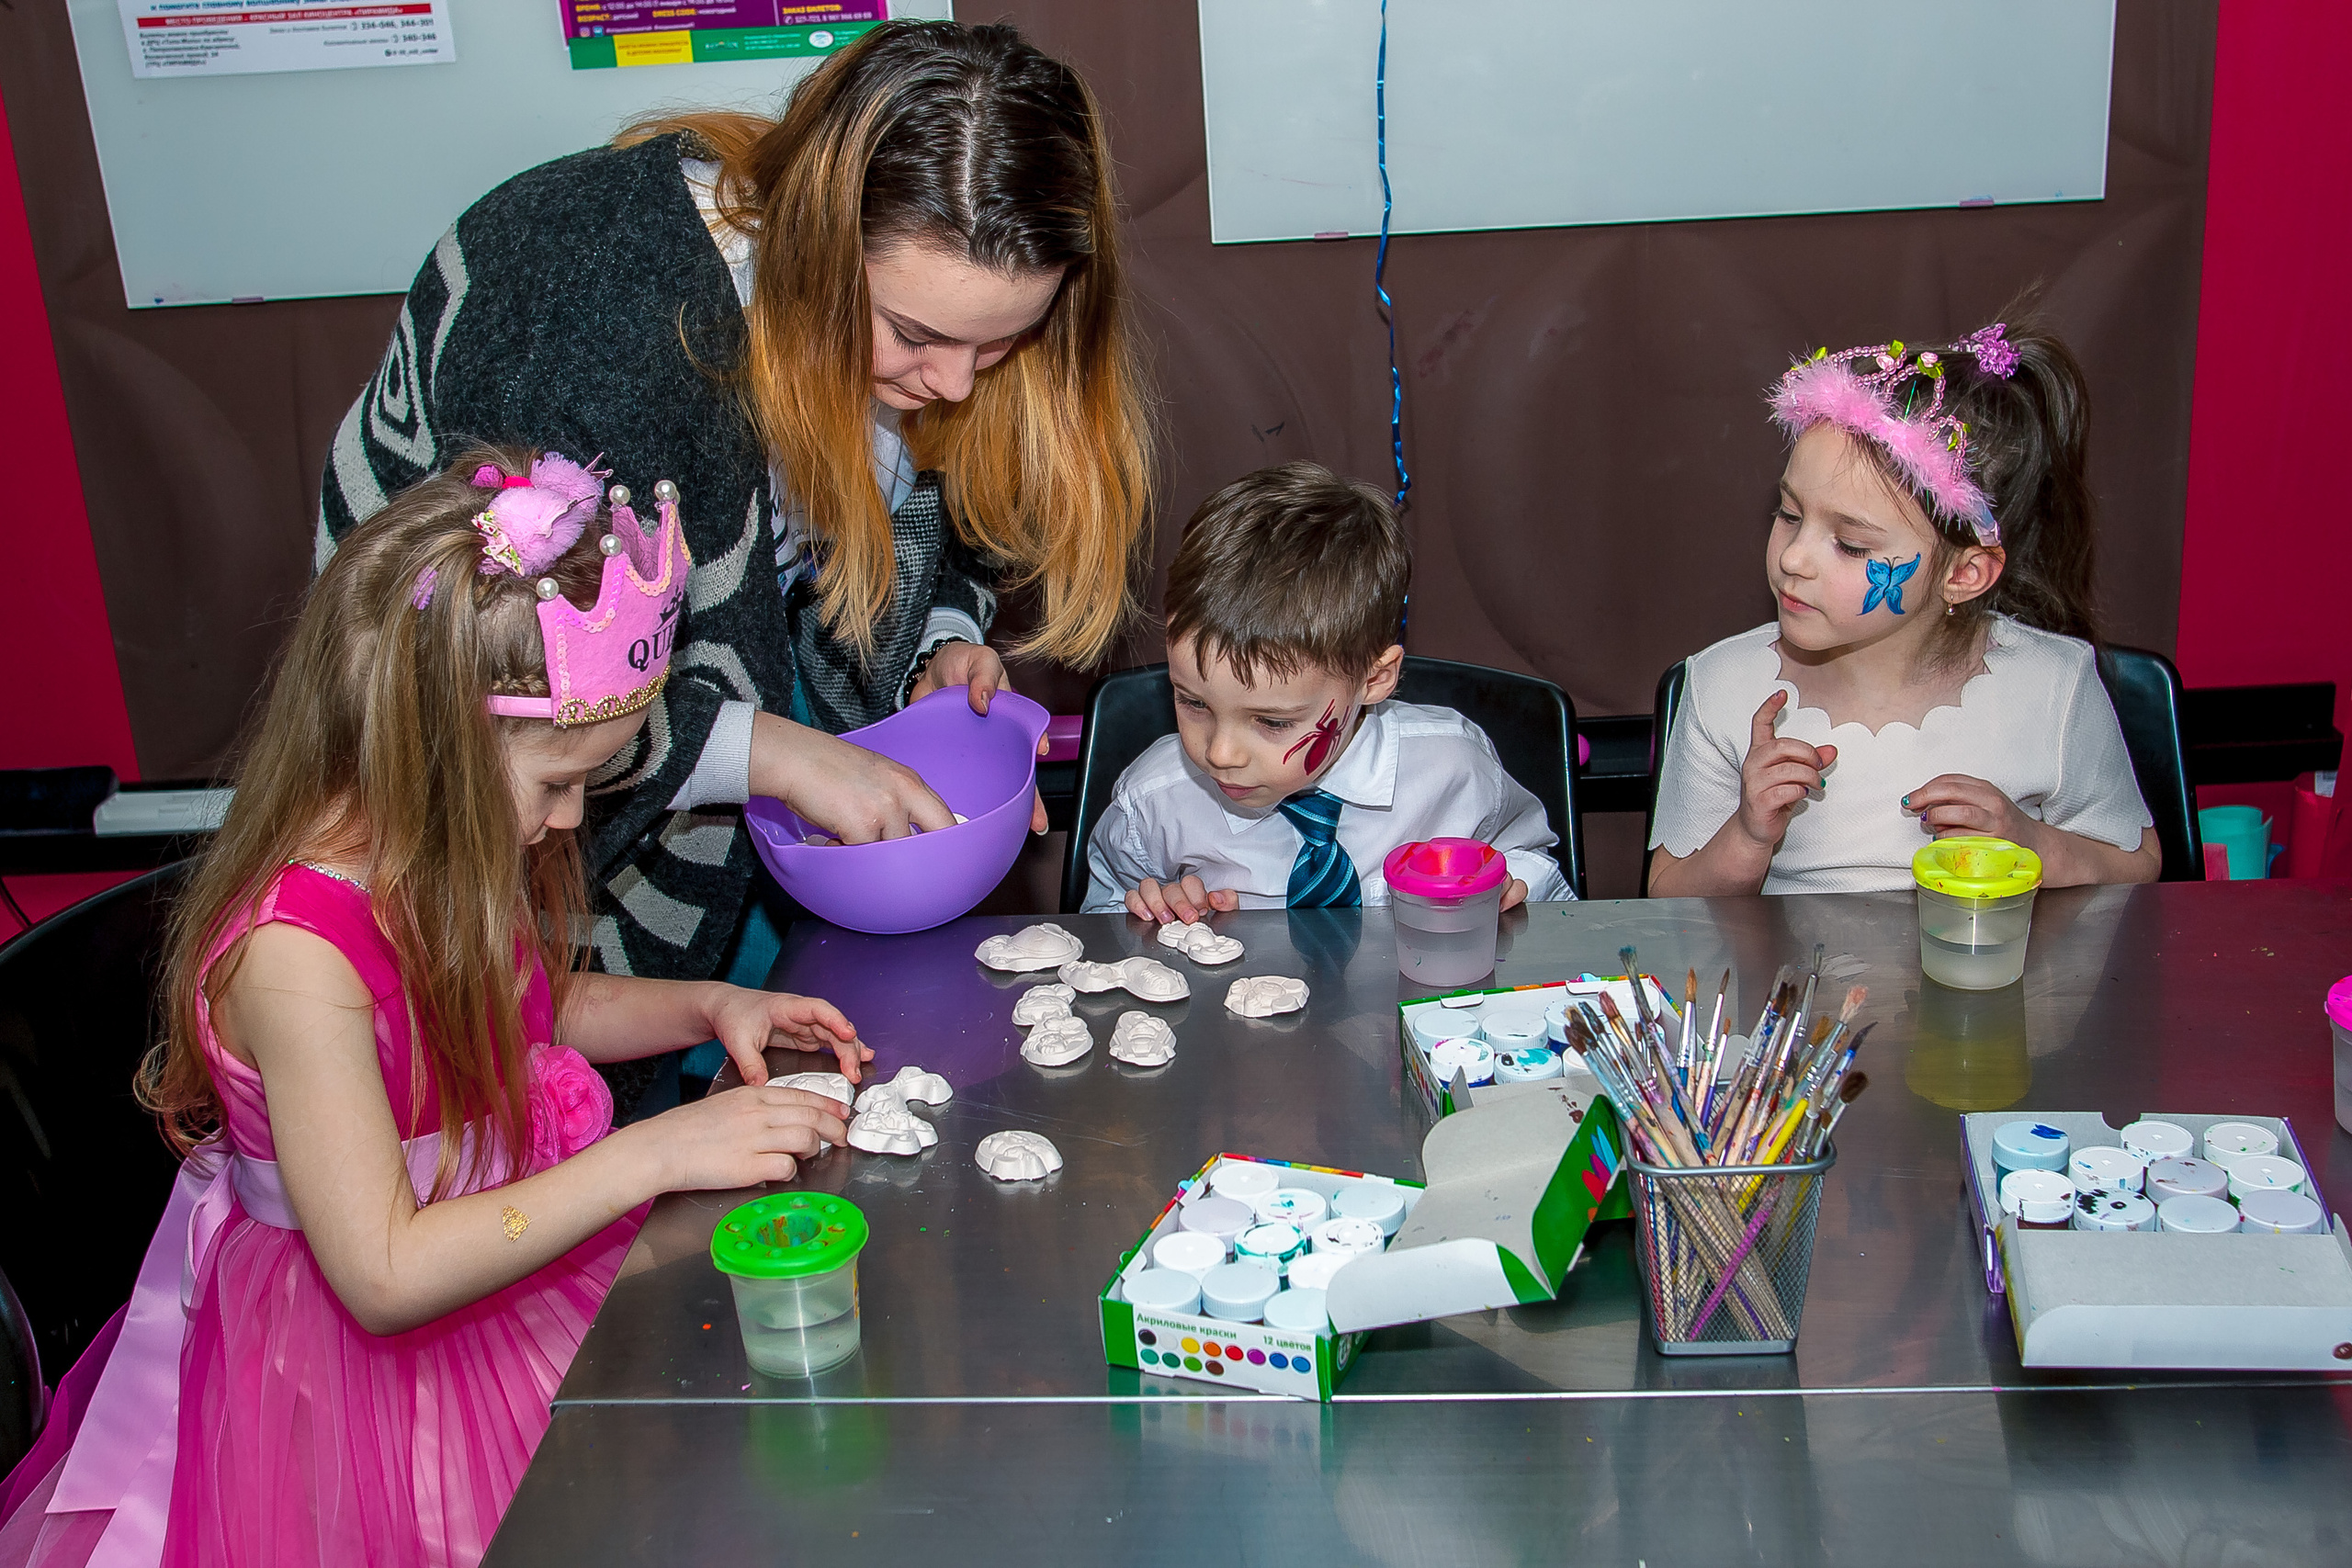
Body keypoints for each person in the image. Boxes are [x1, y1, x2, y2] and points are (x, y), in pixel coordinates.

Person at [0, 450, 866, 1568]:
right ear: (438, 746)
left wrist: (709, 1006)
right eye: (556, 784)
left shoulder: (436, 852)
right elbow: (384, 1274)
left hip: (494, 1256)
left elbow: (527, 1005)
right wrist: (657, 1153)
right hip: (355, 1372)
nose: (569, 821)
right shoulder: (295, 961)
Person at [318, 22, 1153, 1096]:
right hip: (510, 717)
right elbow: (518, 684)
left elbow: (934, 508)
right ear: (809, 241)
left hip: (714, 682)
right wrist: (775, 755)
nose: (955, 384)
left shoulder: (901, 320)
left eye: (999, 345)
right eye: (914, 337)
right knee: (561, 1087)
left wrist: (937, 646)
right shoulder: (592, 330)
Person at [1647, 320, 2159, 897]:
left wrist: (2032, 842)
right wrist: (1747, 836)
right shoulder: (1723, 686)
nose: (1793, 557)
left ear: (1964, 574)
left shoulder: (2054, 686)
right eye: (1789, 514)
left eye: (1851, 544)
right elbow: (1667, 898)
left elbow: (2137, 864)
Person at [1082, 462, 1573, 918]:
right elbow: (1101, 921)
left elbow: (1532, 863)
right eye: (1193, 702)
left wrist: (1507, 889)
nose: (1220, 753)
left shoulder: (1454, 768)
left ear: (1373, 680)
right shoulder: (1152, 802)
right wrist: (1155, 919)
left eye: (1272, 721)